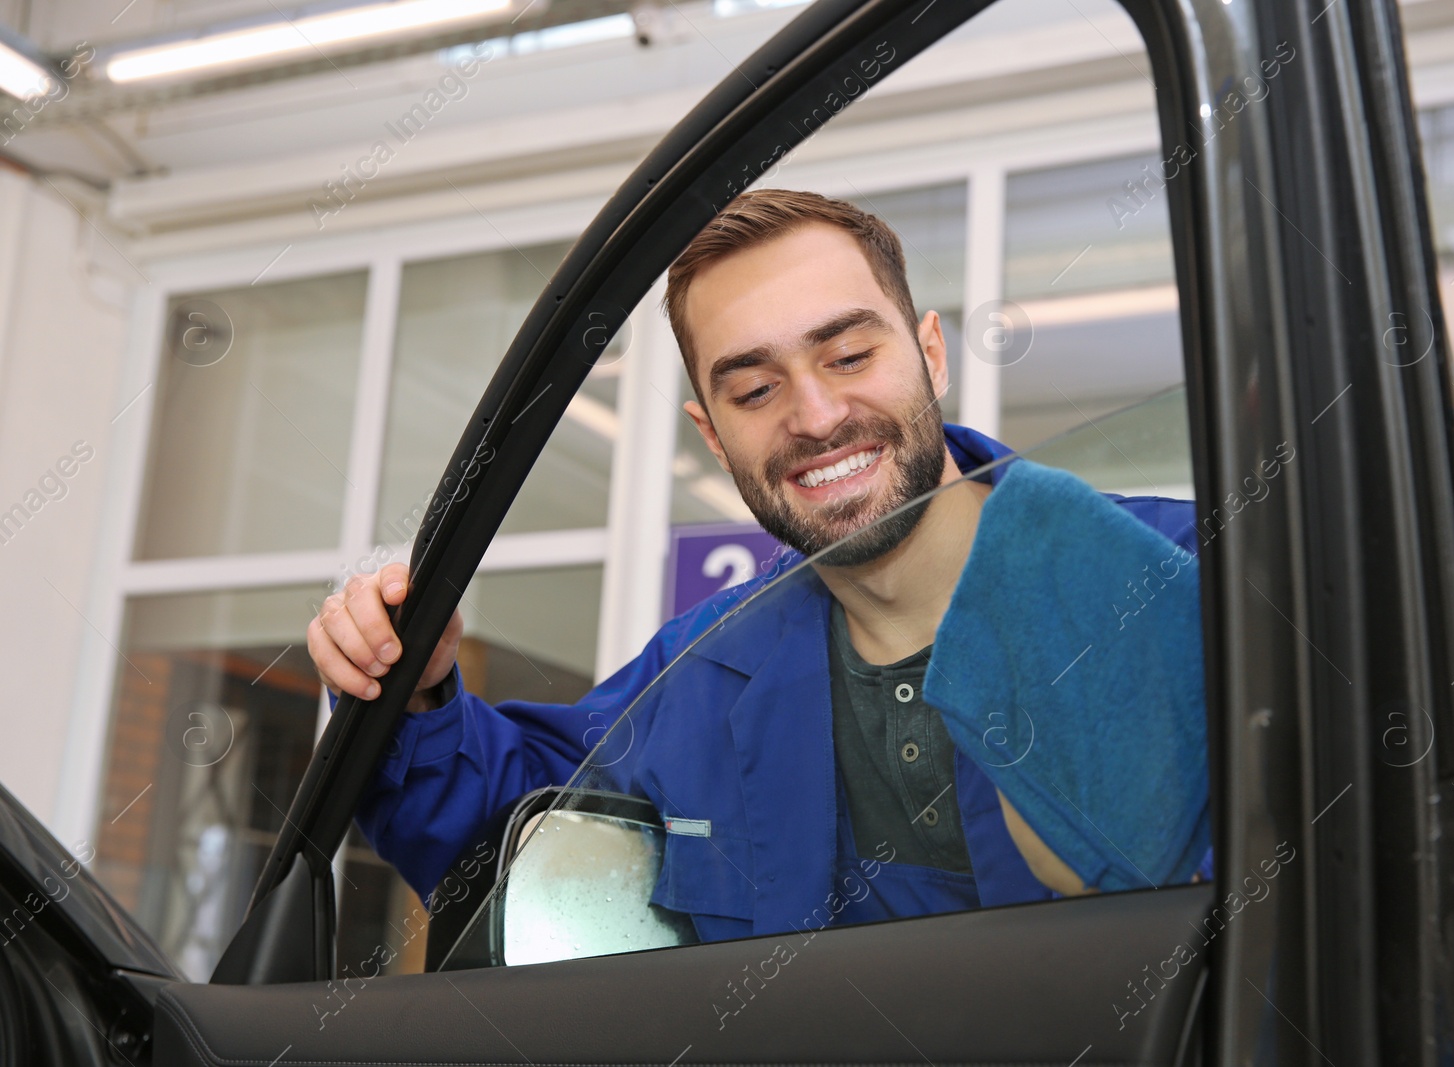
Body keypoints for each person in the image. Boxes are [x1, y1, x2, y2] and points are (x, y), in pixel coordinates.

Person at [310, 189, 1198, 943]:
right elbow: (507, 841)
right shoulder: (699, 673)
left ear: (930, 351)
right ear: (712, 432)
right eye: (754, 389)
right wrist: (417, 691)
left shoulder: (1185, 577)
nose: (815, 415)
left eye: (849, 354)